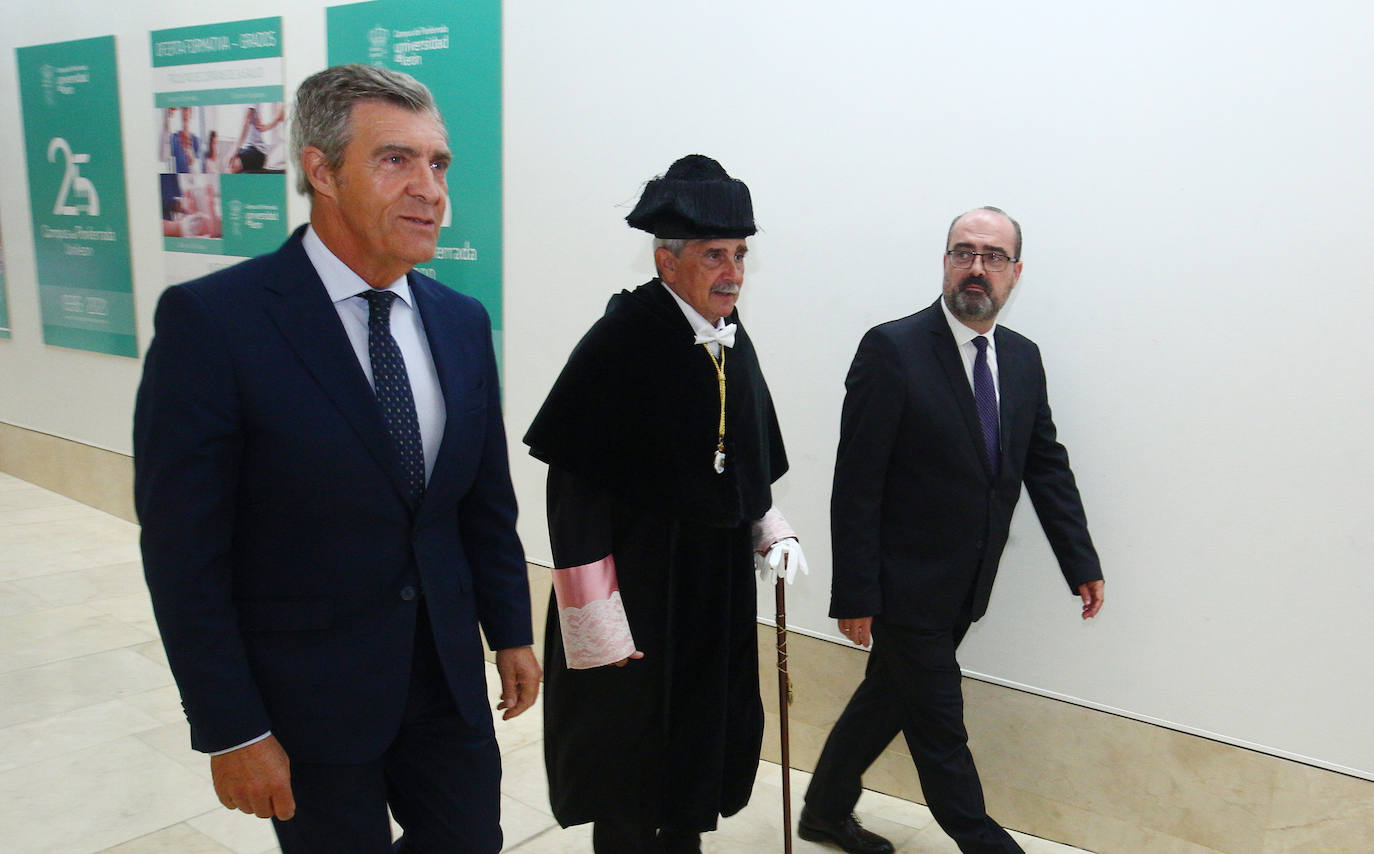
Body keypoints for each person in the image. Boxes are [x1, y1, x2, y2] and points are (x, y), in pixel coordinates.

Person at [134, 64, 540, 854]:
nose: (429, 188)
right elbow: (185, 552)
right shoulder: (215, 322)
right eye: (396, 160)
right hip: (307, 704)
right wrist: (230, 727)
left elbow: (483, 500)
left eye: (439, 163)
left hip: (446, 688)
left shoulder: (459, 320)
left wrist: (510, 629)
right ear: (321, 171)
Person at [800, 207, 1105, 854]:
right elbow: (857, 482)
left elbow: (1043, 463)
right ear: (945, 261)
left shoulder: (1022, 360)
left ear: (1015, 272)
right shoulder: (892, 349)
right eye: (963, 251)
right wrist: (856, 592)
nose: (976, 267)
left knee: (885, 698)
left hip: (967, 585)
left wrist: (1080, 560)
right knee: (941, 731)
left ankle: (824, 811)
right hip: (904, 587)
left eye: (993, 256)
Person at [524, 154, 807, 854]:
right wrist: (595, 620)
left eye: (740, 254)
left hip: (709, 597)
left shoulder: (727, 340)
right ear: (667, 259)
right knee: (629, 768)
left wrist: (767, 525)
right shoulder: (625, 337)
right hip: (638, 600)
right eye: (716, 255)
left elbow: (738, 454)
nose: (733, 272)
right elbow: (575, 489)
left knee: (690, 765)